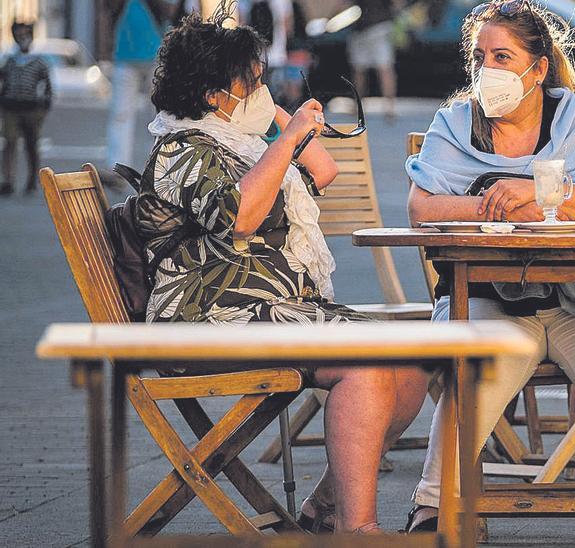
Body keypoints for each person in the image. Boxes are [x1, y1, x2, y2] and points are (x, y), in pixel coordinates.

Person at [145, 12, 427, 534]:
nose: (260, 89)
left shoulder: (241, 144)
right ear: (211, 95)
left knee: (414, 357)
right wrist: (283, 137)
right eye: (250, 82)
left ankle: (326, 506)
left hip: (273, 311)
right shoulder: (180, 150)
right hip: (210, 322)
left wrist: (275, 114)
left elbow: (323, 170)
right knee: (364, 366)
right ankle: (357, 528)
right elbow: (240, 216)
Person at [402, 2, 575, 545]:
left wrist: (546, 193)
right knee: (470, 379)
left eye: (503, 57)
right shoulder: (455, 122)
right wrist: (497, 201)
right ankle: (432, 505)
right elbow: (422, 208)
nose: (489, 71)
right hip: (488, 297)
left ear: (539, 67)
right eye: (480, 58)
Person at [105, 0, 176, 185]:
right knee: (124, 114)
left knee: (158, 116)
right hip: (130, 54)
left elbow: (172, 11)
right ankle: (119, 168)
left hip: (152, 55)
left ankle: (158, 168)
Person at [0, 21, 51, 196]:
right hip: (11, 107)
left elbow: (47, 87)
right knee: (9, 142)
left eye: (25, 35)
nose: (22, 40)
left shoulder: (39, 63)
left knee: (31, 145)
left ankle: (32, 180)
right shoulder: (10, 61)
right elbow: (3, 82)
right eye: (19, 36)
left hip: (31, 109)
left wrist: (43, 109)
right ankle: (8, 179)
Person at [349, 0, 401, 119]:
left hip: (361, 28)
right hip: (381, 25)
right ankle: (389, 107)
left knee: (359, 70)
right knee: (385, 69)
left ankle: (357, 106)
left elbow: (344, 5)